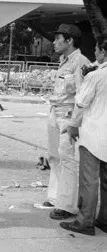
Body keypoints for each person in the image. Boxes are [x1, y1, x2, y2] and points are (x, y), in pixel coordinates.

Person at [41, 24, 90, 220]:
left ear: (69, 40)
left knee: (67, 160)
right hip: (55, 112)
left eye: (57, 39)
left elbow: (82, 97)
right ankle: (55, 197)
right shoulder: (63, 61)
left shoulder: (80, 63)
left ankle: (67, 205)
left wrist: (74, 124)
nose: (53, 43)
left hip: (68, 117)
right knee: (54, 157)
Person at [59, 39, 107, 236]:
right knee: (105, 180)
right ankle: (104, 219)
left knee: (89, 180)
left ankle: (85, 220)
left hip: (93, 133)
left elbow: (80, 102)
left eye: (96, 50)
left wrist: (72, 126)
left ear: (103, 51)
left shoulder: (96, 76)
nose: (95, 54)